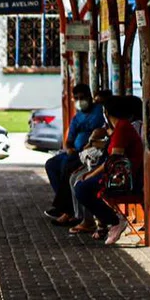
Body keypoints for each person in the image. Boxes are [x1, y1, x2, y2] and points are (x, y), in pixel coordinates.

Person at [74, 96, 145, 245]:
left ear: (107, 112)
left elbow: (113, 160)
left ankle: (114, 220)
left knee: (82, 188)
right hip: (119, 175)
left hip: (124, 179)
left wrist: (91, 175)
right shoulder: (120, 127)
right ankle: (110, 221)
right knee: (81, 185)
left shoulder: (123, 128)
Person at [44, 84, 104, 220]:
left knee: (67, 165)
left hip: (90, 151)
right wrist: (69, 148)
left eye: (82, 97)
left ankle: (66, 209)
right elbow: (69, 139)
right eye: (76, 98)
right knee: (51, 164)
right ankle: (64, 202)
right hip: (75, 151)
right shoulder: (77, 117)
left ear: (90, 97)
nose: (79, 101)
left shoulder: (99, 111)